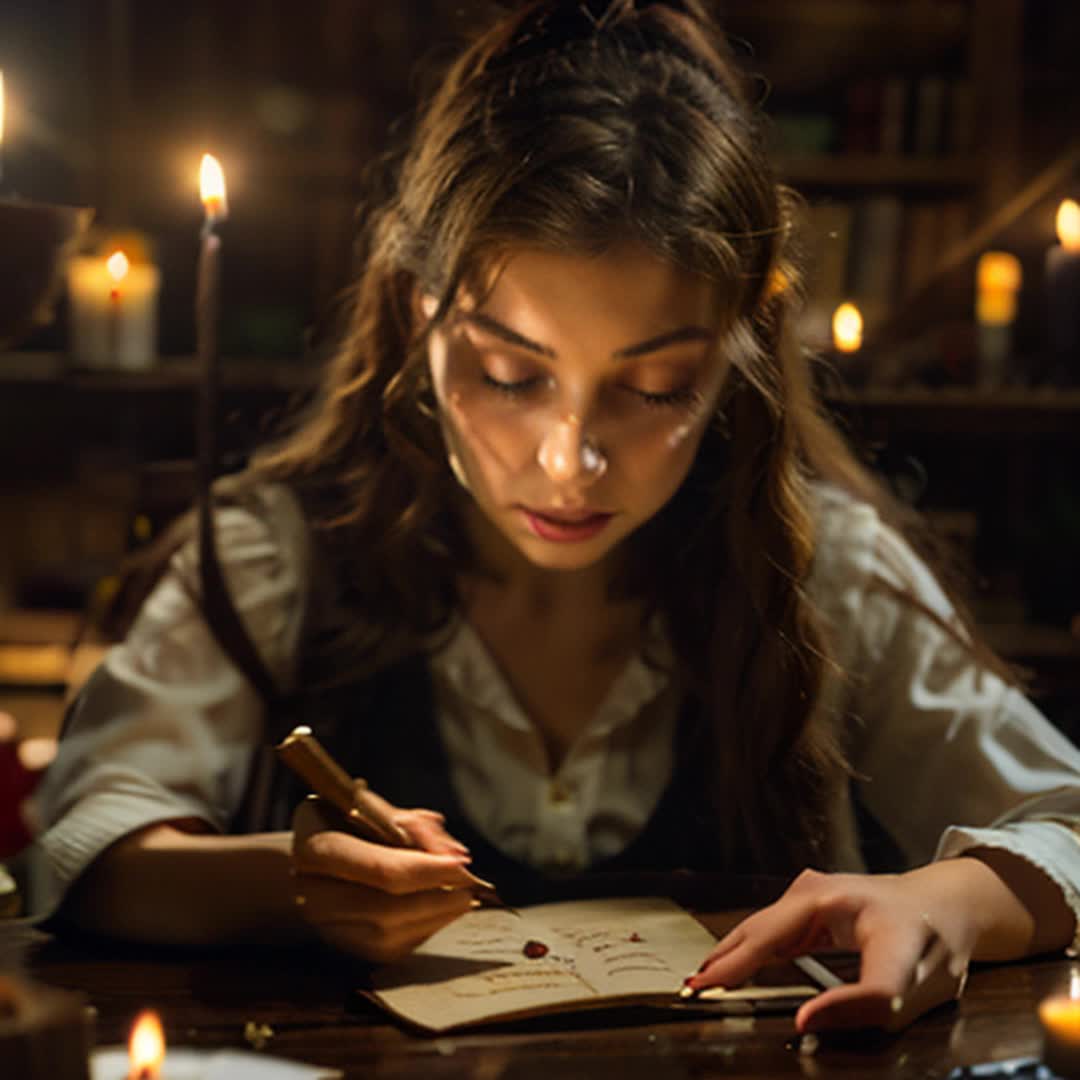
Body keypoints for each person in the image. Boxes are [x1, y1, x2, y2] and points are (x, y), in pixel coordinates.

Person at [21, 0, 1080, 1035]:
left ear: (739, 353)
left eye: (658, 386)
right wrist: (287, 882)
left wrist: (948, 901)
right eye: (507, 372)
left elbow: (1066, 822)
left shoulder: (822, 571)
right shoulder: (281, 554)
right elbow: (85, 838)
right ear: (411, 314)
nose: (571, 459)